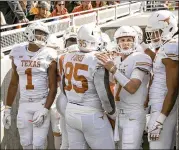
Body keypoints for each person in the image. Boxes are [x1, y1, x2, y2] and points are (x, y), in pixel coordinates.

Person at [60, 24, 115, 149]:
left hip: (71, 111)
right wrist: (114, 114)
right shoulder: (97, 59)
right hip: (91, 114)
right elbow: (104, 95)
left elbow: (63, 87)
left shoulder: (68, 56)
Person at [3, 22, 57, 149]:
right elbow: (13, 83)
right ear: (29, 32)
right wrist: (7, 109)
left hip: (41, 103)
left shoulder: (49, 54)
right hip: (24, 104)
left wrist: (45, 109)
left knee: (38, 145)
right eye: (39, 33)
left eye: (44, 34)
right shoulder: (17, 51)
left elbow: (53, 87)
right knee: (25, 143)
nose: (42, 37)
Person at [96, 26, 152, 149]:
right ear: (117, 42)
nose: (125, 43)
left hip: (134, 114)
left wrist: (112, 68)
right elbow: (112, 82)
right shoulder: (116, 59)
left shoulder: (141, 57)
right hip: (119, 113)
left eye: (128, 39)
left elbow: (132, 88)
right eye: (122, 40)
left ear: (135, 40)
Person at [142, 10, 178, 149]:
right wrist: (142, 44)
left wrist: (160, 120)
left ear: (168, 28)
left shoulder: (171, 47)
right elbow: (159, 61)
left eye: (156, 32)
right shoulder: (165, 47)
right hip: (160, 106)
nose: (153, 36)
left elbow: (173, 89)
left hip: (163, 108)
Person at [56, 26, 79, 149]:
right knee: (76, 139)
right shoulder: (88, 55)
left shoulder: (60, 57)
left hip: (63, 98)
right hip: (76, 100)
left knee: (66, 138)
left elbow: (56, 80)